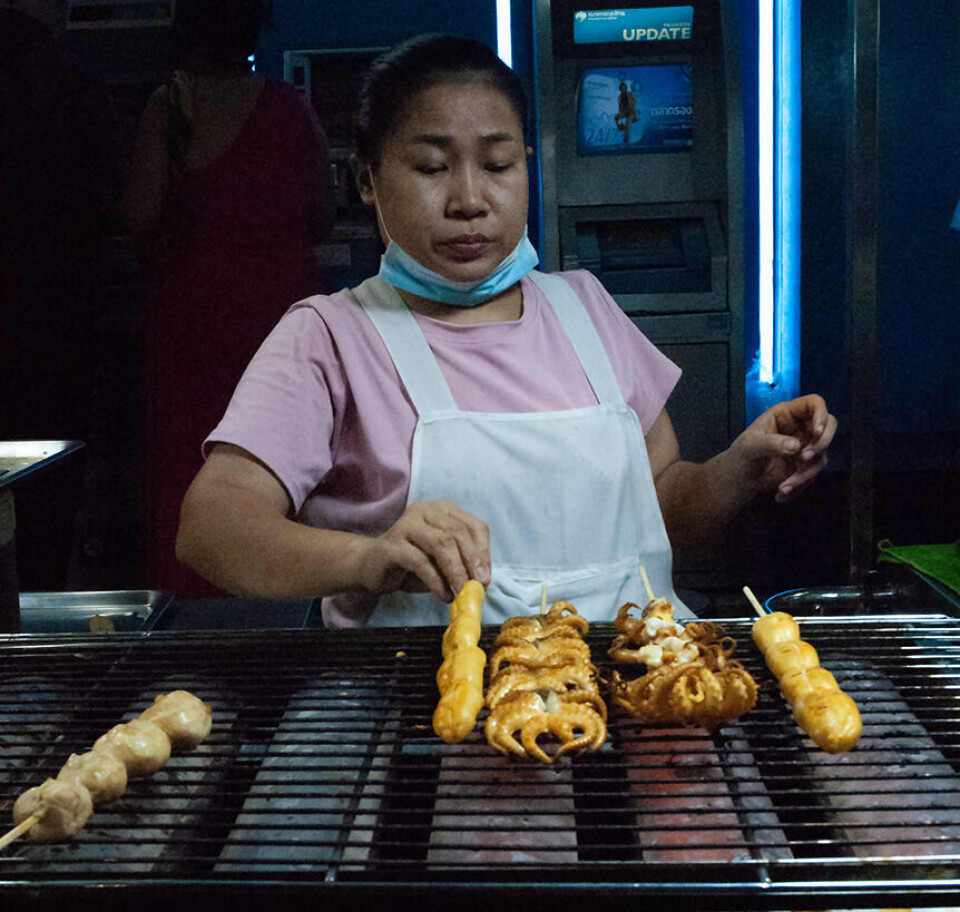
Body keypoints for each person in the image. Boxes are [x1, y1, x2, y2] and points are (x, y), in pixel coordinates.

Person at [176, 34, 836, 627]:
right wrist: (366, 556)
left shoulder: (584, 308)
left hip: (633, 696)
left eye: (497, 165)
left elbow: (660, 504)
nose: (469, 200)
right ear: (367, 180)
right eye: (432, 168)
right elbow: (213, 528)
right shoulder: (329, 338)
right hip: (423, 709)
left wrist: (737, 472)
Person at [123, 0, 335, 594]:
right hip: (281, 309)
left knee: (190, 462)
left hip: (194, 312)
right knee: (288, 455)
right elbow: (321, 213)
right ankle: (290, 591)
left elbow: (140, 219)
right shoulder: (292, 108)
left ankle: (190, 603)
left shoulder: (170, 107)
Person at [0, 0, 120, 590]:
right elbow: (110, 204)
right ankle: (33, 637)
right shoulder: (75, 83)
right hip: (53, 316)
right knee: (47, 487)